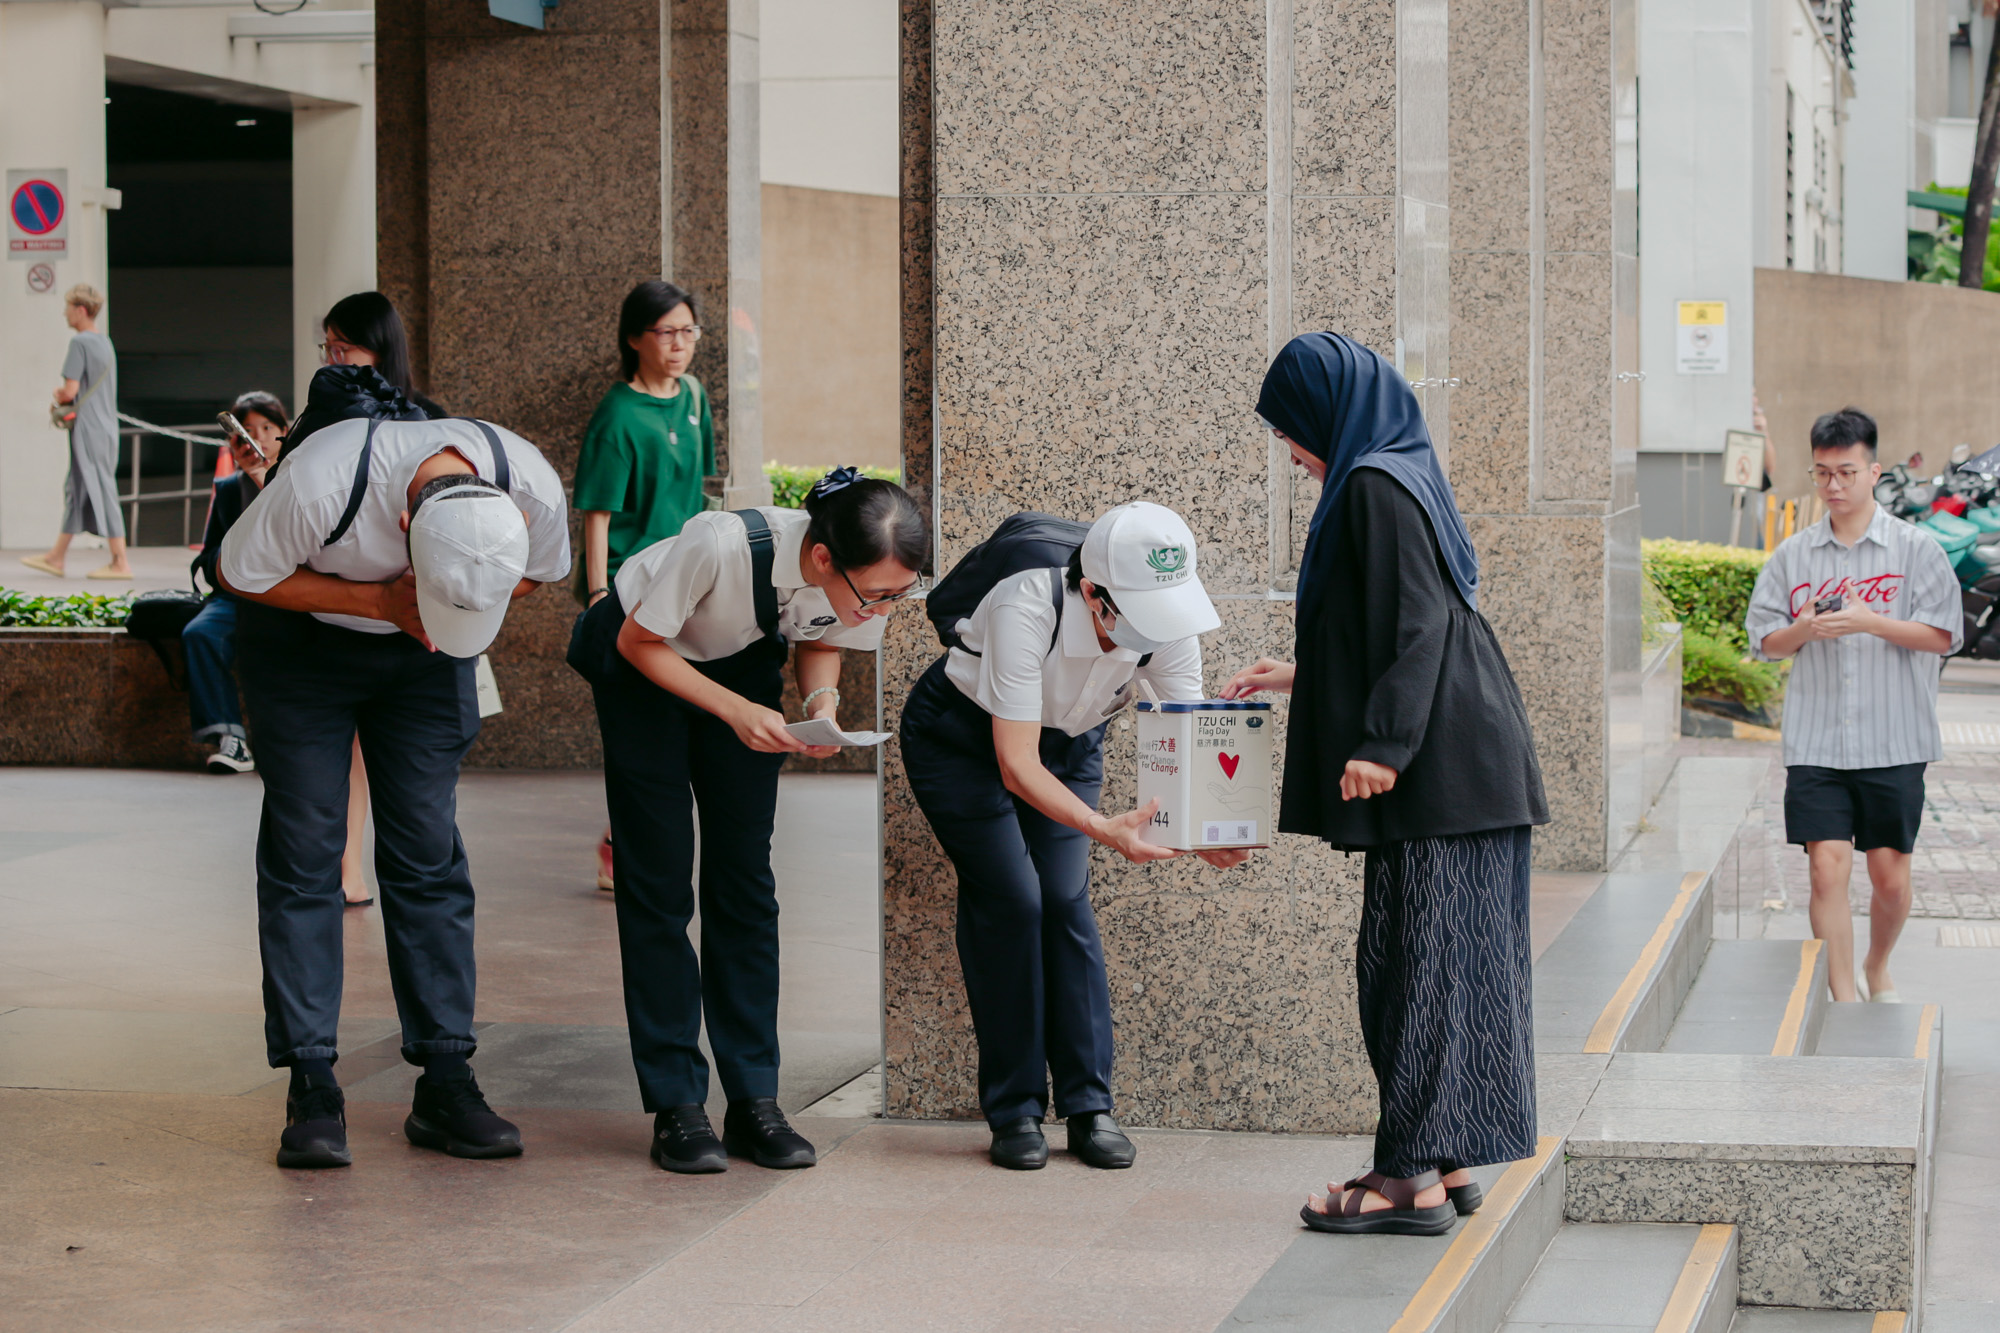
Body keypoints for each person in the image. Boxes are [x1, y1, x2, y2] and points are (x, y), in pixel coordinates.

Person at [1223, 331, 1547, 1235]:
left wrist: (1385, 746)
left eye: (1290, 424)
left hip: (1439, 774)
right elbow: (1399, 621)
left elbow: (1420, 622)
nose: (1288, 445)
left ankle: (1407, 1178)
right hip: (1466, 771)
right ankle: (1442, 1155)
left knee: (1412, 972)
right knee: (1439, 969)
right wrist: (1303, 676)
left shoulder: (1373, 482)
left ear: (1328, 409)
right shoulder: (1403, 470)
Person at [218, 414, 571, 1170]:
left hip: (429, 651)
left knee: (427, 851)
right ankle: (312, 1084)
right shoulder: (321, 482)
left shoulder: (532, 487)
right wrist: (382, 603)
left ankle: (446, 1080)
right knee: (306, 850)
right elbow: (239, 570)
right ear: (406, 527)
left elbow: (541, 571)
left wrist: (451, 602)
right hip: (302, 649)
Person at [570, 468, 924, 1174]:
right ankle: (676, 1103)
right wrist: (734, 712)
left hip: (740, 665)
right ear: (822, 557)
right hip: (642, 662)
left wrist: (821, 707)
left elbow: (822, 636)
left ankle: (754, 1098)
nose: (885, 609)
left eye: (900, 595)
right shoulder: (718, 545)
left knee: (746, 885)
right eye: (878, 596)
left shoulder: (860, 580)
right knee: (658, 880)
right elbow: (638, 642)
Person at [900, 501, 1249, 1173]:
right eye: (1141, 613)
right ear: (1093, 593)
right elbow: (1015, 763)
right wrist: (1101, 828)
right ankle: (1015, 1109)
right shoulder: (1025, 606)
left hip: (1069, 743)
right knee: (1012, 899)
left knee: (1063, 898)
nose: (1158, 629)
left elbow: (1185, 730)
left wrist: (1205, 832)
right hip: (962, 742)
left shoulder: (1170, 623)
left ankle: (1090, 1107)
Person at [1745, 407, 1959, 1004]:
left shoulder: (1917, 550)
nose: (1833, 486)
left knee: (1890, 879)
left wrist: (1871, 622)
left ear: (1873, 472)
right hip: (1817, 741)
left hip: (1895, 739)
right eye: (1822, 474)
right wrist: (1803, 629)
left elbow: (1944, 636)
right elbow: (1764, 642)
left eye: (1845, 473)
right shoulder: (1793, 556)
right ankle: (1842, 1000)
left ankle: (1877, 966)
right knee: (1826, 868)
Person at [297, 292, 442, 907]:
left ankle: (358, 867)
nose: (333, 360)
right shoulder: (319, 418)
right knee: (342, 755)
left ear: (380, 352)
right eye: (327, 347)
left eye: (345, 347)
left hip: (406, 622)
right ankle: (346, 865)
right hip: (333, 615)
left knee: (409, 784)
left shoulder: (428, 422)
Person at [573, 280, 717, 892]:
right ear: (635, 338)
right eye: (666, 332)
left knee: (669, 718)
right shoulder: (618, 416)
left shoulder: (694, 395)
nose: (680, 344)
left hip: (689, 579)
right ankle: (621, 843)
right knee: (647, 719)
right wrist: (599, 595)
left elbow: (702, 487)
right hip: (633, 586)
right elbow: (597, 513)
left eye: (689, 331)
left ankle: (623, 839)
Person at [184, 392, 289, 775]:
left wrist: (263, 480)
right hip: (236, 596)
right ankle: (231, 737)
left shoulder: (297, 479)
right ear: (234, 440)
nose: (258, 437)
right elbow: (209, 553)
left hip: (292, 595)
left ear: (284, 432)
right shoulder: (230, 488)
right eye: (247, 430)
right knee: (201, 634)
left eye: (267, 427)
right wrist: (228, 563)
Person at [22, 285, 131, 582]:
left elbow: (70, 392)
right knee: (77, 488)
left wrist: (58, 395)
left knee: (102, 488)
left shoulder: (79, 342)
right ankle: (56, 557)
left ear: (81, 310)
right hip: (104, 427)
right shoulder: (105, 342)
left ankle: (120, 562)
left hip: (89, 428)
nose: (64, 313)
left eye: (68, 308)